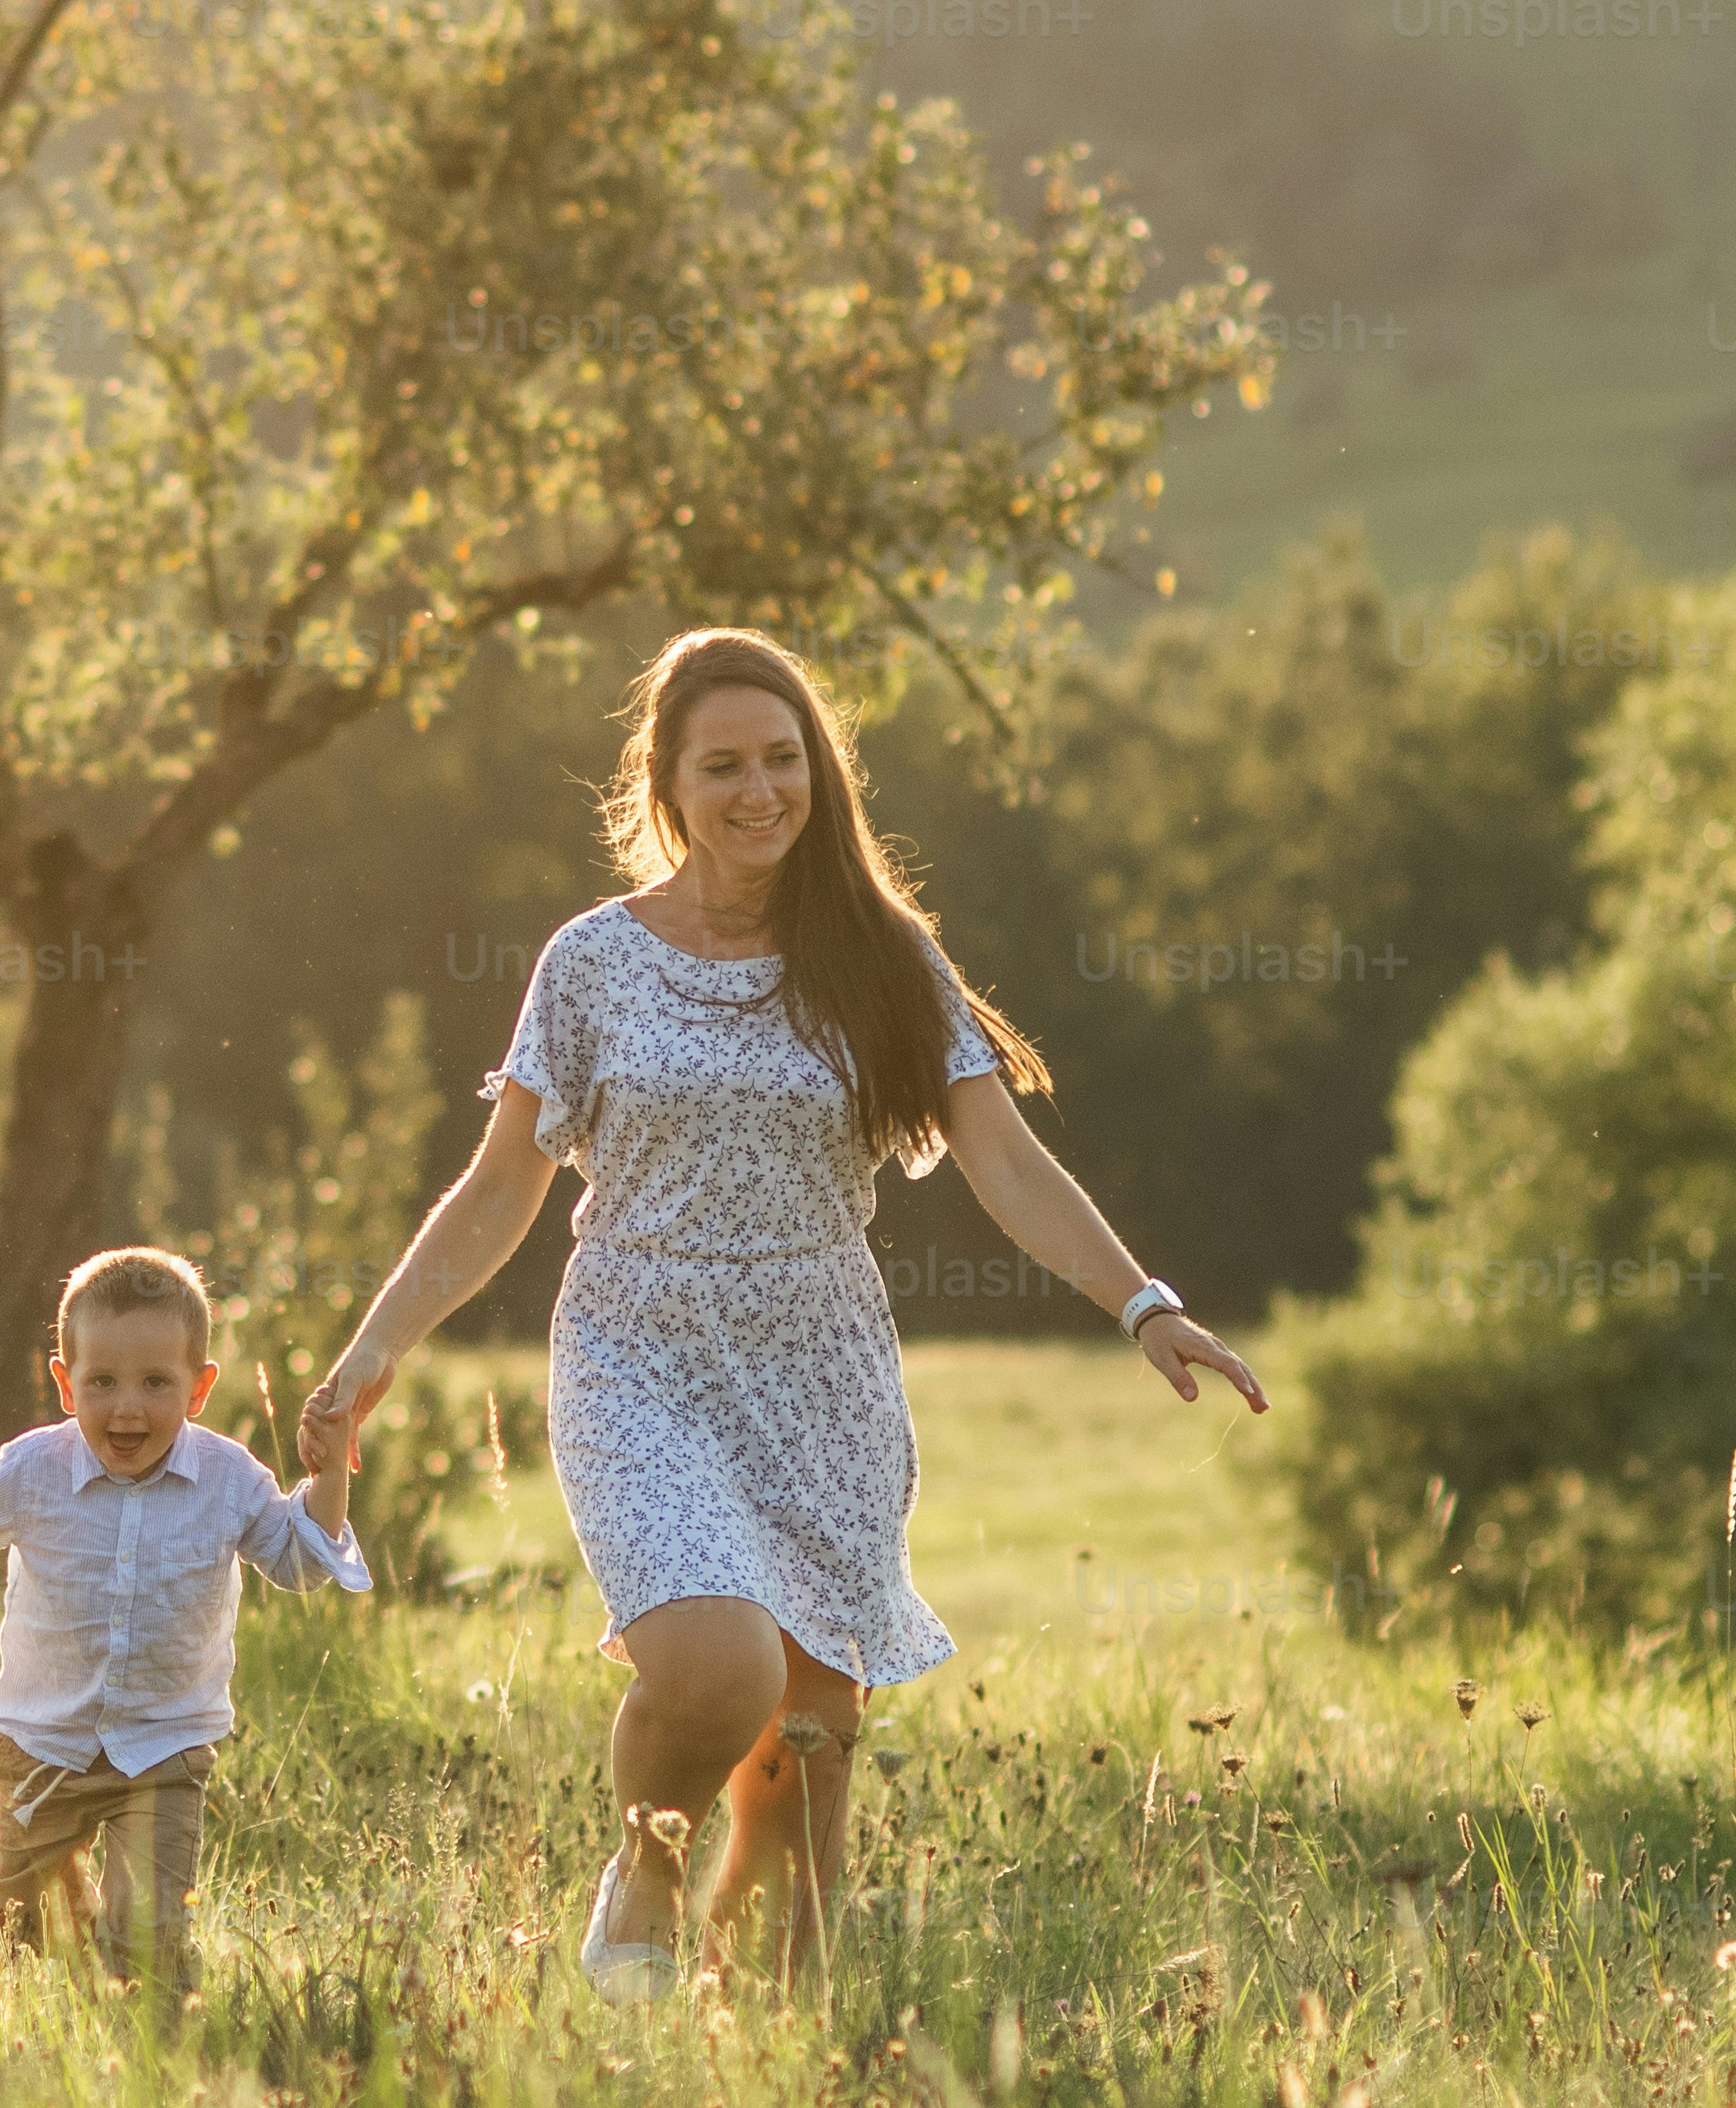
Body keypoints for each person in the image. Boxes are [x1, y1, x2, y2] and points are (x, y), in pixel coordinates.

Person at [296, 625, 1268, 1995]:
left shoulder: (879, 955)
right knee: (714, 1667)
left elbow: (1002, 1159)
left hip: (820, 1363)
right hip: (635, 1347)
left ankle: (765, 2034)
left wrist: (1142, 1304)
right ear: (665, 786)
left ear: (819, 769)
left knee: (811, 1734)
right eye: (721, 766)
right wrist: (372, 1347)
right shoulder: (590, 963)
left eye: (781, 758)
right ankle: (642, 1860)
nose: (758, 790)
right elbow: (500, 1182)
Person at [0, 1243, 371, 1986]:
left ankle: (154, 2040)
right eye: (101, 1381)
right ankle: (53, 2031)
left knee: (148, 1940)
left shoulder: (229, 1478)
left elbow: (298, 1562)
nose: (128, 1406)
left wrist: (329, 1474)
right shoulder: (33, 1470)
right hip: (46, 1743)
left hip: (164, 1747)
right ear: (65, 1384)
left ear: (199, 1388)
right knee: (29, 1941)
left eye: (155, 1382)